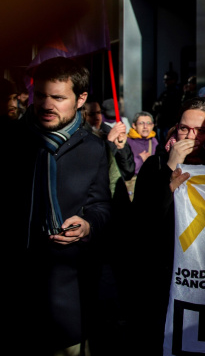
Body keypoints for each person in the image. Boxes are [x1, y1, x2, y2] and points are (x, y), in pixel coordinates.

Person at [2, 56, 111, 354]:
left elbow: (102, 207)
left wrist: (87, 225)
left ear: (80, 99)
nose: (47, 105)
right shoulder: (10, 140)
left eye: (59, 98)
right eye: (41, 95)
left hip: (68, 298)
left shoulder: (93, 148)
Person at [130, 96, 205, 353]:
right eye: (185, 128)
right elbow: (141, 223)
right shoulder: (155, 166)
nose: (192, 137)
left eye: (202, 130)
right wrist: (169, 171)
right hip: (166, 281)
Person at [84, 100, 135, 181]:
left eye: (98, 113)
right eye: (91, 114)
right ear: (83, 116)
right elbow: (95, 166)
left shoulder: (107, 130)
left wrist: (121, 148)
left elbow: (128, 171)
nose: (97, 118)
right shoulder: (80, 137)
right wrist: (110, 141)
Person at [125, 111, 159, 199]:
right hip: (133, 185)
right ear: (134, 125)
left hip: (150, 185)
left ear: (152, 125)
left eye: (148, 123)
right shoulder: (127, 142)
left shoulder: (154, 141)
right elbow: (126, 168)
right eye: (141, 123)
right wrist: (140, 159)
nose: (145, 127)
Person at [152, 70, 183, 143]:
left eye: (167, 79)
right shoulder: (165, 93)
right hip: (161, 124)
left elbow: (170, 107)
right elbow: (155, 106)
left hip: (170, 124)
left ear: (174, 80)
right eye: (164, 79)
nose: (165, 81)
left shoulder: (178, 93)